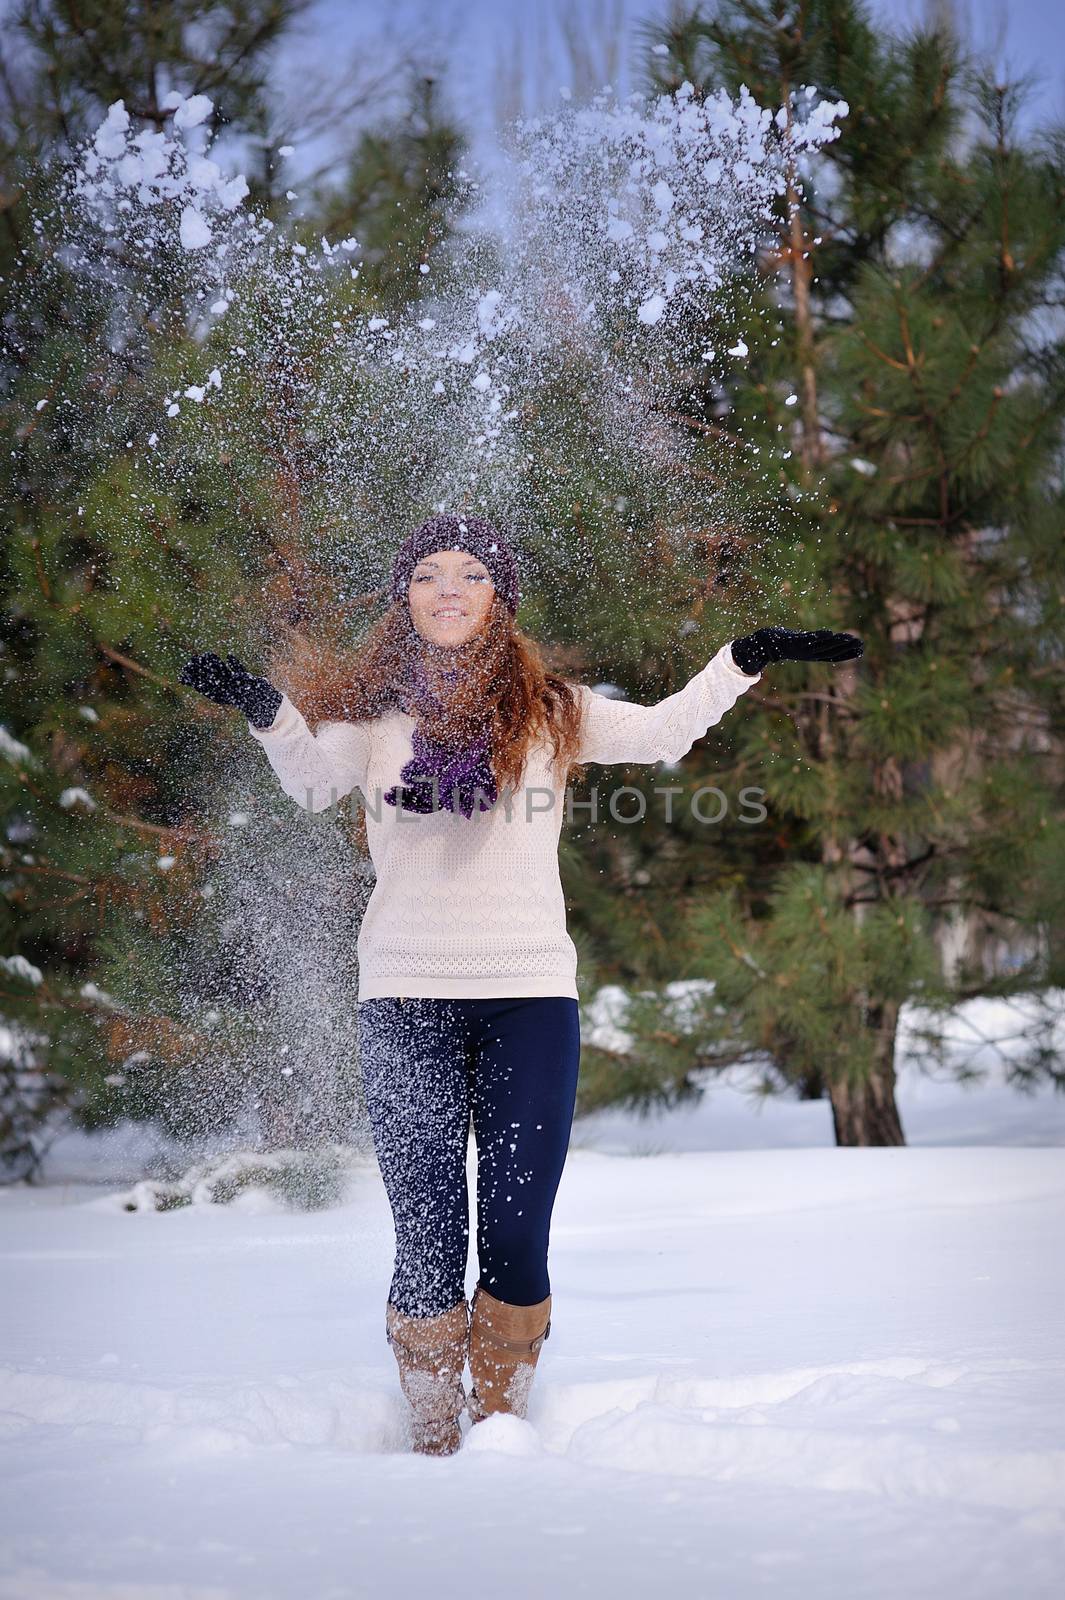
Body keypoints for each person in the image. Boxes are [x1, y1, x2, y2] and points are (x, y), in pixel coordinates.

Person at [180, 512, 863, 1456]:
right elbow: (306, 781)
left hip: (529, 1002)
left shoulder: (553, 712)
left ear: (498, 596)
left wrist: (740, 657)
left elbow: (665, 733)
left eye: (469, 572)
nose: (448, 588)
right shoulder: (376, 723)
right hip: (405, 1000)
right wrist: (268, 709)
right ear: (403, 597)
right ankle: (430, 1438)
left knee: (514, 1236)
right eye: (427, 573)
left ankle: (500, 1437)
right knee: (426, 1240)